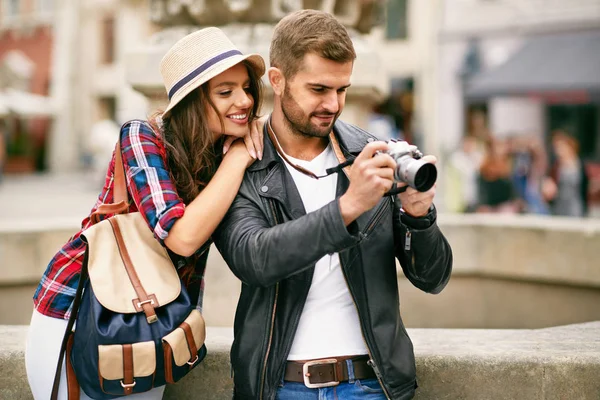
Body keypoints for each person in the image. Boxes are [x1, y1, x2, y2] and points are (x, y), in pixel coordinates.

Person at [213, 10, 453, 399]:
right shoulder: (241, 165)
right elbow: (254, 258)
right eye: (319, 89)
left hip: (372, 386)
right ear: (277, 80)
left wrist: (418, 214)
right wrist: (349, 206)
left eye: (342, 90)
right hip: (280, 388)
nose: (333, 103)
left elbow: (433, 278)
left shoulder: (371, 155)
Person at [25, 27, 265, 399]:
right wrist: (237, 160)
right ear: (192, 100)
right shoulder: (142, 136)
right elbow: (181, 236)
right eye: (225, 91)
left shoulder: (221, 154)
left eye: (246, 87)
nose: (244, 100)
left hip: (156, 321)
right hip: (79, 312)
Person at [542, 130, 589, 217]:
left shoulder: (580, 164)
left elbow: (584, 187)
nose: (558, 150)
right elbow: (548, 184)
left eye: (560, 147)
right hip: (559, 205)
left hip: (575, 206)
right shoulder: (555, 166)